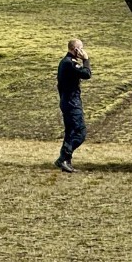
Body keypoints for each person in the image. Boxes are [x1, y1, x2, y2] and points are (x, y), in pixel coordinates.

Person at [55, 37, 91, 172]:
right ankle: (63, 158)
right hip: (71, 102)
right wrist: (86, 60)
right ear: (75, 49)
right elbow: (87, 74)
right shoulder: (69, 63)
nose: (82, 51)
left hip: (67, 101)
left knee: (70, 132)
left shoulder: (65, 62)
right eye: (80, 48)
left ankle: (65, 161)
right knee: (79, 132)